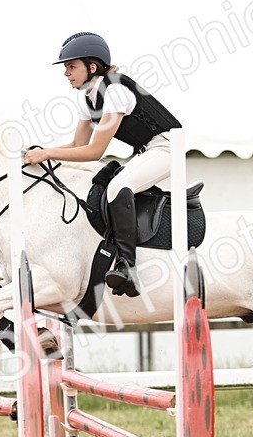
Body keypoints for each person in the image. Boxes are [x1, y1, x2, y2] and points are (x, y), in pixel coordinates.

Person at [23, 32, 181, 297]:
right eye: (66, 67)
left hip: (167, 148)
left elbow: (95, 151)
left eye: (71, 66)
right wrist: (39, 151)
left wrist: (48, 154)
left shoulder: (116, 90)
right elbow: (77, 145)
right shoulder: (87, 96)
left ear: (92, 66)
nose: (66, 73)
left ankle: (127, 267)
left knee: (118, 187)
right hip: (146, 150)